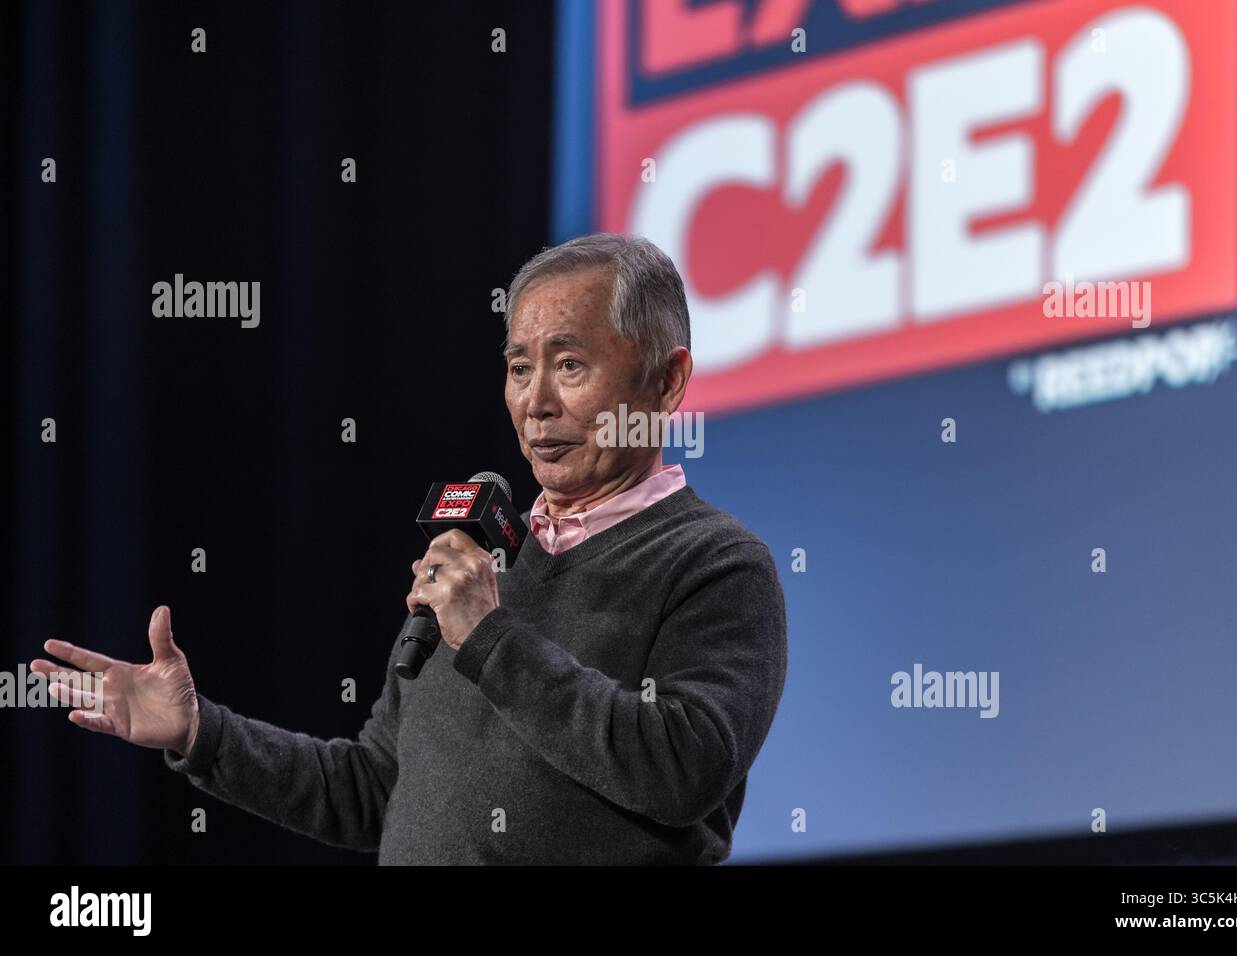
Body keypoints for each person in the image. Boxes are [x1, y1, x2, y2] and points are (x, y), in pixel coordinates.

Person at [30, 233, 789, 864]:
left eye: (568, 364)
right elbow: (371, 787)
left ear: (667, 380)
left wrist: (491, 638)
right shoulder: (482, 563)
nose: (535, 401)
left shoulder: (716, 565)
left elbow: (682, 768)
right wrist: (201, 733)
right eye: (520, 367)